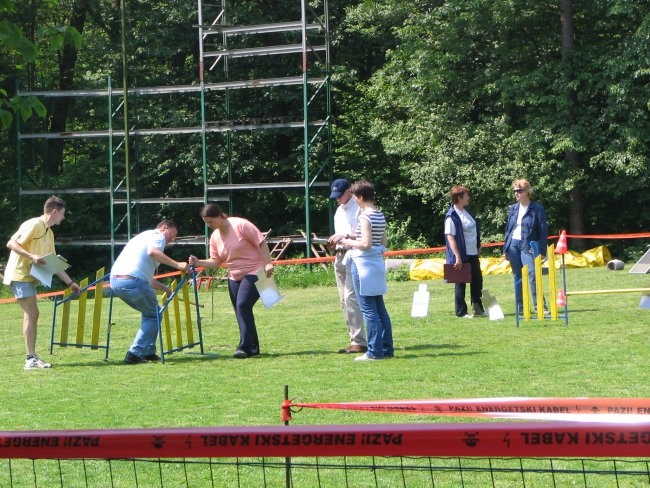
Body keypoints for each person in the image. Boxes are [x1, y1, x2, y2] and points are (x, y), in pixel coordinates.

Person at [3, 196, 81, 370]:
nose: (63, 217)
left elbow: (53, 263)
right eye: (62, 214)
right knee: (33, 314)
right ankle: (30, 359)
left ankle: (31, 357)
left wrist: (70, 283)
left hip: (29, 278)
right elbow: (11, 243)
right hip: (20, 275)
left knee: (32, 314)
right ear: (54, 211)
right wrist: (31, 256)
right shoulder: (34, 224)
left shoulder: (49, 233)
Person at [189, 203, 274, 359]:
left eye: (210, 222)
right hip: (234, 275)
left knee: (242, 305)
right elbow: (216, 261)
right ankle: (253, 347)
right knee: (240, 310)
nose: (209, 226)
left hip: (255, 271)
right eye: (206, 223)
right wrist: (199, 262)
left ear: (220, 216)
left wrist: (268, 263)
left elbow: (261, 242)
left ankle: (245, 346)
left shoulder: (241, 225)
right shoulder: (215, 237)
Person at [110, 220, 188, 364]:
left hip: (117, 282)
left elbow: (148, 280)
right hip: (132, 281)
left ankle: (148, 351)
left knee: (151, 313)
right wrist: (178, 265)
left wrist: (164, 288)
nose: (171, 239)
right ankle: (135, 353)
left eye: (174, 237)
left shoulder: (143, 238)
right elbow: (152, 252)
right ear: (164, 227)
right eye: (171, 234)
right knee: (153, 315)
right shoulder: (157, 236)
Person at [333, 180, 393, 361]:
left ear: (359, 196)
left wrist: (348, 242)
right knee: (380, 309)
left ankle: (374, 351)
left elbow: (365, 244)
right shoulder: (379, 215)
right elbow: (382, 243)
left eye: (355, 197)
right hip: (376, 265)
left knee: (368, 310)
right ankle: (386, 348)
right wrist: (350, 236)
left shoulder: (365, 216)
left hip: (362, 265)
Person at [327, 178, 367, 354]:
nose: (337, 199)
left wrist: (343, 236)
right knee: (343, 300)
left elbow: (360, 235)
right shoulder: (338, 211)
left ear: (349, 192)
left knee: (351, 298)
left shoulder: (359, 208)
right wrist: (334, 241)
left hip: (353, 256)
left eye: (340, 195)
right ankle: (353, 338)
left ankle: (360, 340)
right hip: (340, 256)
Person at [503, 178, 548, 314]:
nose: (516, 193)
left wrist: (542, 251)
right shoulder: (513, 209)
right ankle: (521, 308)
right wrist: (505, 249)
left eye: (519, 190)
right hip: (513, 245)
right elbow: (508, 229)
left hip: (528, 245)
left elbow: (543, 230)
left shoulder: (537, 209)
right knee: (518, 276)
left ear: (527, 191)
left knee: (533, 274)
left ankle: (541, 306)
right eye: (515, 191)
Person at [444, 185, 486, 318]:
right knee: (461, 283)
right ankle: (461, 312)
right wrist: (457, 257)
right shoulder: (451, 216)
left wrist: (478, 245)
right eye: (466, 195)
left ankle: (477, 308)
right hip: (462, 254)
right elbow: (450, 238)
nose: (469, 198)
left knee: (477, 280)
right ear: (459, 198)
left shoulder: (467, 211)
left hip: (473, 252)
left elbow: (474, 230)